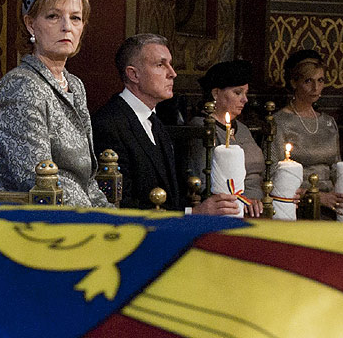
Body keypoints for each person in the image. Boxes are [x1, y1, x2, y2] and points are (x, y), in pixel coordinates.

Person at [0, 0, 108, 207]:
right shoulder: (21, 86)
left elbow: (87, 180)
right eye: (54, 16)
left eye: (76, 18)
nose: (67, 27)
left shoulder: (74, 84)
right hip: (43, 222)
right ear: (31, 24)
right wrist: (94, 222)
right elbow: (37, 179)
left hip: (82, 215)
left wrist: (111, 217)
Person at [92, 34, 239, 214]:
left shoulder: (155, 121)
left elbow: (171, 194)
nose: (172, 73)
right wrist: (193, 214)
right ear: (133, 74)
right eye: (160, 65)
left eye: (170, 64)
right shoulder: (109, 124)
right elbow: (118, 204)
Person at [270, 50, 343, 214]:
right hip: (298, 203)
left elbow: (337, 167)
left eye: (320, 80)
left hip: (333, 200)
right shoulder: (280, 121)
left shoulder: (328, 122)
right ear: (294, 82)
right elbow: (273, 174)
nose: (316, 88)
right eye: (308, 81)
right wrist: (316, 196)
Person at [186, 60, 265, 217]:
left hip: (260, 204)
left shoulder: (242, 129)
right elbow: (203, 182)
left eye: (246, 93)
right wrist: (246, 201)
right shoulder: (202, 126)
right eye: (238, 93)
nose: (245, 99)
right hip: (232, 209)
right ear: (216, 93)